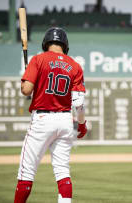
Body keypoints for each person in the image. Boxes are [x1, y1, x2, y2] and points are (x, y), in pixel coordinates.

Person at [14, 27, 87, 203]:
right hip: (65, 121)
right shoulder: (75, 66)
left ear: (46, 42)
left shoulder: (38, 59)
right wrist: (82, 124)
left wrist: (26, 79)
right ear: (65, 45)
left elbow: (26, 91)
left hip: (43, 119)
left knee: (27, 171)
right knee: (62, 171)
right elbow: (79, 103)